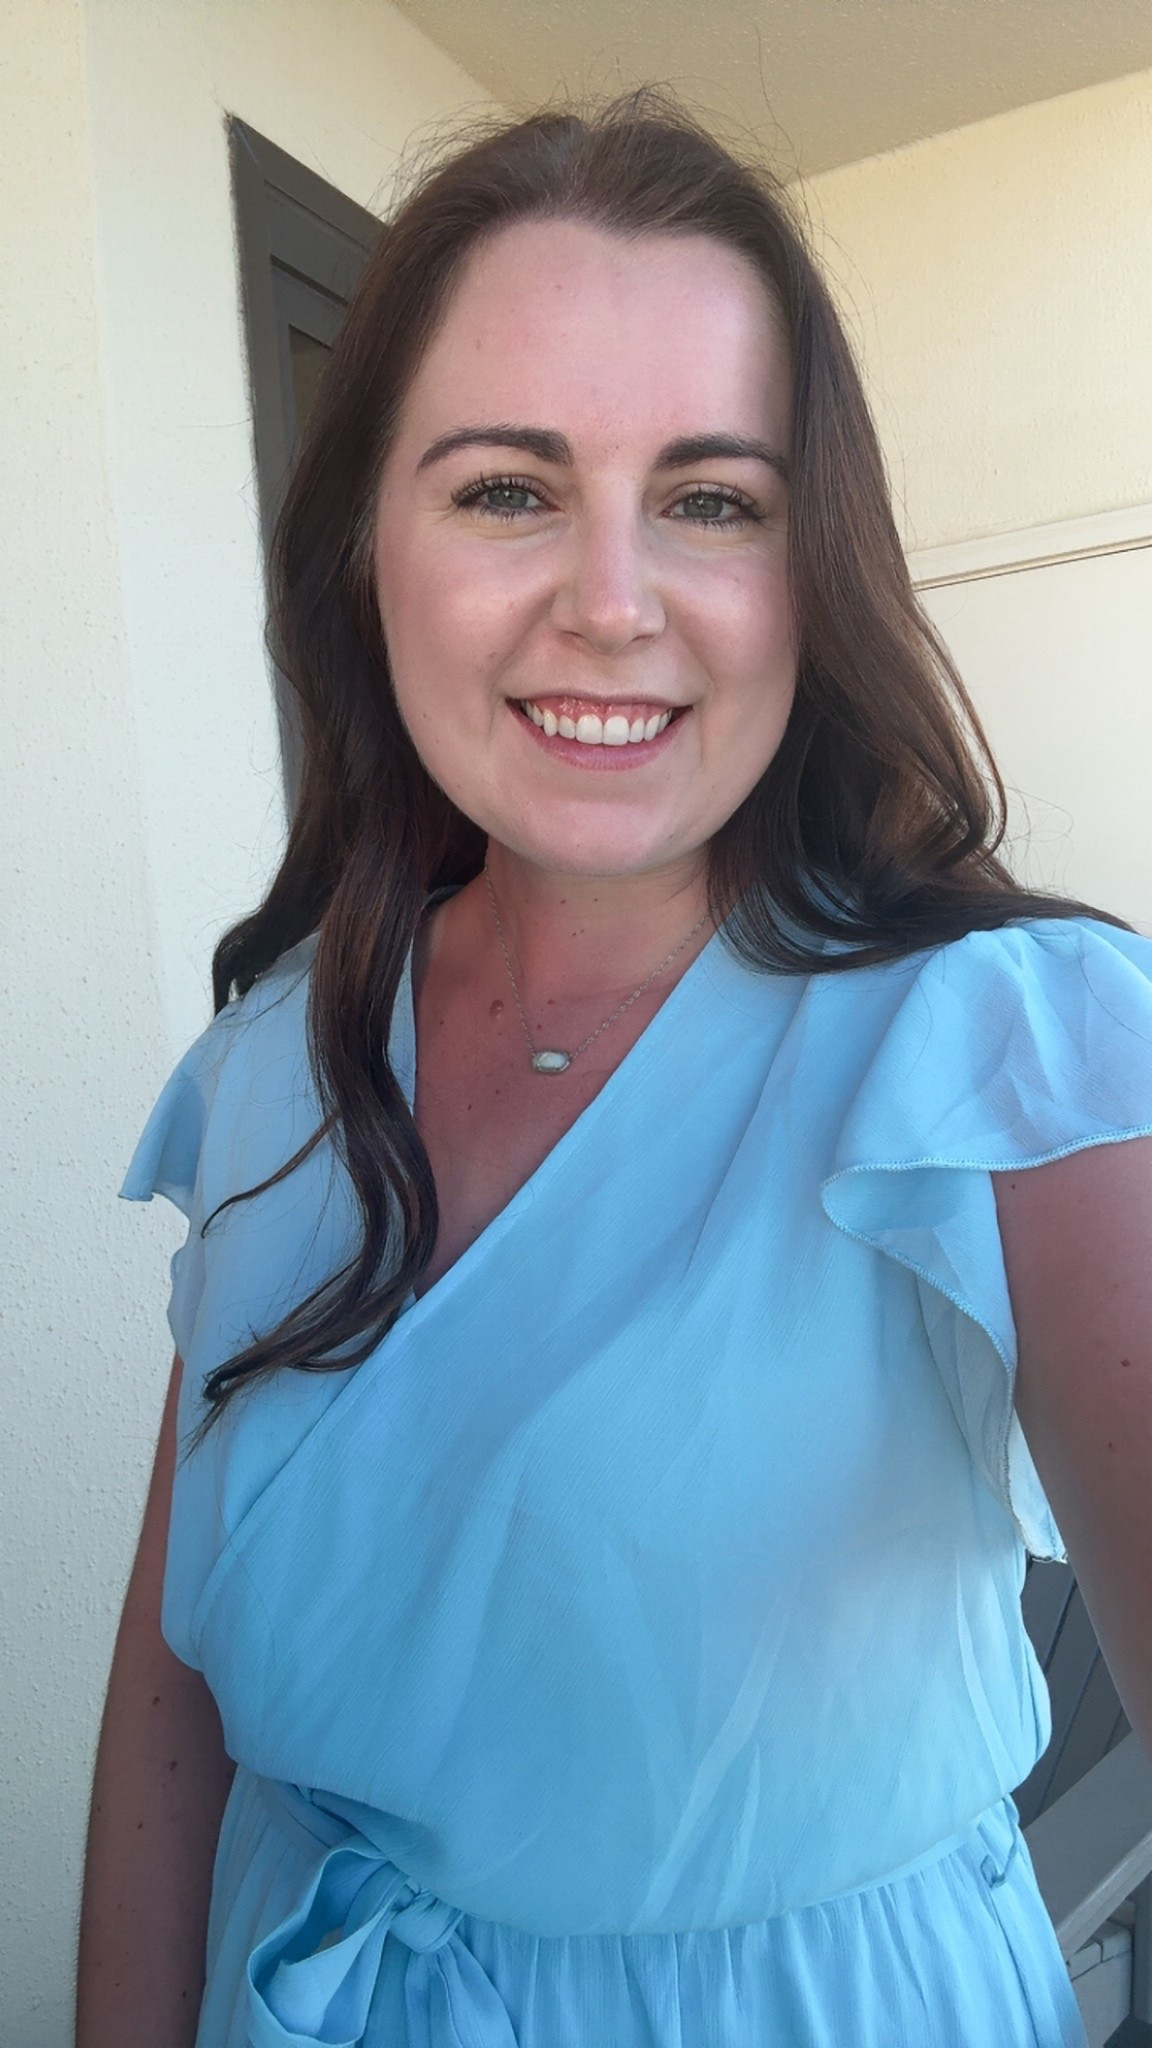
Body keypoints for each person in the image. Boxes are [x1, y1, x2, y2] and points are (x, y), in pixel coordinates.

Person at [76, 91, 1152, 2048]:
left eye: (713, 497)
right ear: (363, 550)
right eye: (505, 488)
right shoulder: (264, 1069)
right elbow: (170, 1720)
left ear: (809, 573)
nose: (612, 598)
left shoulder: (1014, 1049)